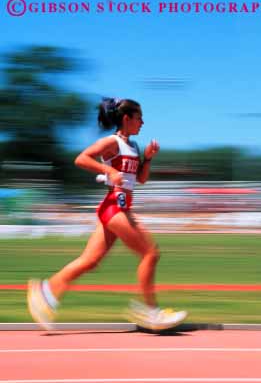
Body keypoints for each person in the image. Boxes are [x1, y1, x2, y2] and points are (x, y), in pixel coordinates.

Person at [27, 97, 187, 331]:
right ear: (126, 118)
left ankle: (46, 292)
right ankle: (150, 312)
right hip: (114, 206)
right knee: (150, 253)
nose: (143, 122)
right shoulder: (111, 142)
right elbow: (81, 158)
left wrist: (149, 158)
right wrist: (108, 169)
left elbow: (140, 179)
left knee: (90, 261)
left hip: (121, 208)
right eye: (139, 117)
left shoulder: (133, 147)